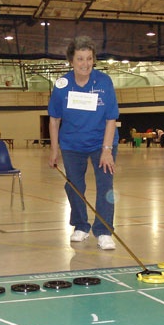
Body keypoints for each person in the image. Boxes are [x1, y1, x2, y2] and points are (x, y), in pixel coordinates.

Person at [48, 35, 119, 251]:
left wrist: (107, 150)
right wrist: (54, 150)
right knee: (75, 187)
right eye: (80, 59)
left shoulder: (104, 82)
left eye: (89, 58)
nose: (85, 64)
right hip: (72, 145)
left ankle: (104, 231)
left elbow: (111, 119)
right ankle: (80, 225)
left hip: (102, 142)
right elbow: (54, 119)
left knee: (105, 186)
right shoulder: (62, 85)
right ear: (71, 61)